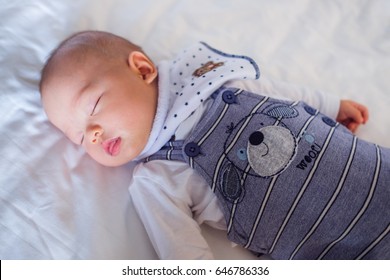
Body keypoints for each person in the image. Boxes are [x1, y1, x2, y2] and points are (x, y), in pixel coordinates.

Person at [40, 30, 389, 260]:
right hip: (337, 248)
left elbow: (282, 94)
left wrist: (329, 103)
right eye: (81, 137)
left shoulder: (213, 80)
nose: (95, 134)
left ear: (143, 69)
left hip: (376, 173)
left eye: (92, 107)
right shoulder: (156, 179)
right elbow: (183, 253)